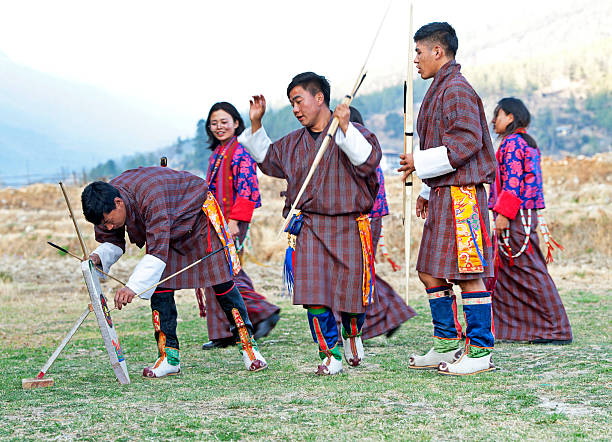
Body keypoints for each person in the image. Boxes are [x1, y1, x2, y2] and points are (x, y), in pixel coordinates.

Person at [238, 72, 382, 375]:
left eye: (298, 100)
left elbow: (367, 160)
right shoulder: (292, 143)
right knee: (313, 295)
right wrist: (256, 124)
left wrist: (343, 128)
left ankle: (352, 333)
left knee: (352, 296)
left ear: (319, 98)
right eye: (291, 103)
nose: (295, 109)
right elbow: (267, 159)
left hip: (348, 226)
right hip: (310, 228)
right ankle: (330, 354)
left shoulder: (356, 133)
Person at [81, 167, 268, 378]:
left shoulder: (151, 196)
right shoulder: (104, 204)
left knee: (222, 282)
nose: (107, 227)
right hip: (167, 228)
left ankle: (250, 349)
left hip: (198, 221)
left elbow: (157, 252)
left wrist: (131, 287)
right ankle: (169, 358)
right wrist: (98, 257)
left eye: (108, 221)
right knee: (159, 287)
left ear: (118, 203)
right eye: (101, 224)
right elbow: (110, 239)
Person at [399, 22, 497, 375]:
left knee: (469, 274)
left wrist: (418, 163)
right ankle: (446, 343)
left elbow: (467, 141)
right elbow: (441, 145)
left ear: (437, 52)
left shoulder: (456, 90)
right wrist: (427, 188)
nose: (415, 59)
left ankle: (481, 350)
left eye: (419, 52)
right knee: (429, 271)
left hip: (463, 197)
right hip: (444, 193)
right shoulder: (439, 90)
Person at [197, 102, 280, 350]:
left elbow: (247, 190)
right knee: (216, 272)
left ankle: (262, 312)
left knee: (226, 272)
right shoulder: (217, 154)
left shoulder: (240, 153)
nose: (219, 127)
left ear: (235, 123)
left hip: (232, 222)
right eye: (214, 123)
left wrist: (234, 221)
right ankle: (226, 331)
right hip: (214, 222)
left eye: (224, 122)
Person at [489, 97, 572, 344]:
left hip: (515, 215)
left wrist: (503, 214)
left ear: (511, 117)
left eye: (498, 115)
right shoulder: (522, 142)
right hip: (520, 214)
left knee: (529, 269)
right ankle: (510, 328)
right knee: (507, 272)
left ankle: (556, 329)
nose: (494, 120)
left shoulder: (513, 143)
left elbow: (513, 183)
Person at [345, 106, 417, 340]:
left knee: (356, 270)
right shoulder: (361, 143)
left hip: (362, 216)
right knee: (354, 269)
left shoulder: (357, 143)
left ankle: (390, 312)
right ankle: (387, 314)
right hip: (364, 216)